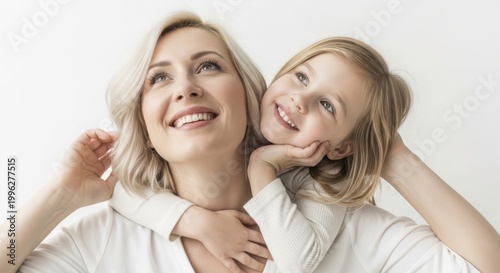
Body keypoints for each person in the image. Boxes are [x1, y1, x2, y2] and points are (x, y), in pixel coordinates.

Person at [0, 11, 498, 273]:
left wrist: (390, 154)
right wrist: (60, 197)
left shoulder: (346, 227)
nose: (185, 88)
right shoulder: (102, 239)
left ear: (250, 92)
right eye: (158, 79)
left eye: (208, 66)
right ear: (144, 123)